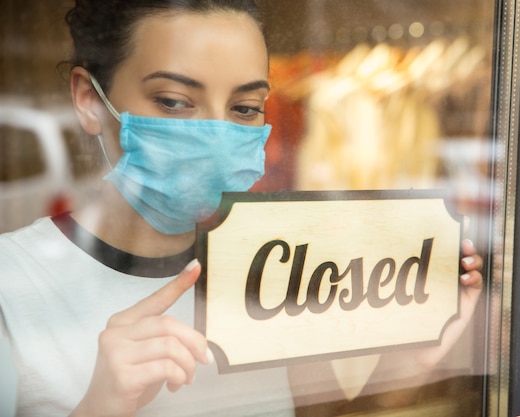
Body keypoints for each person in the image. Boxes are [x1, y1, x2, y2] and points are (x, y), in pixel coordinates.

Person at [0, 0, 483, 416]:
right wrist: (99, 407)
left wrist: (400, 370)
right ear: (89, 101)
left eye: (245, 108)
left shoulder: (277, 264)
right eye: (173, 102)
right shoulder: (12, 283)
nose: (217, 132)